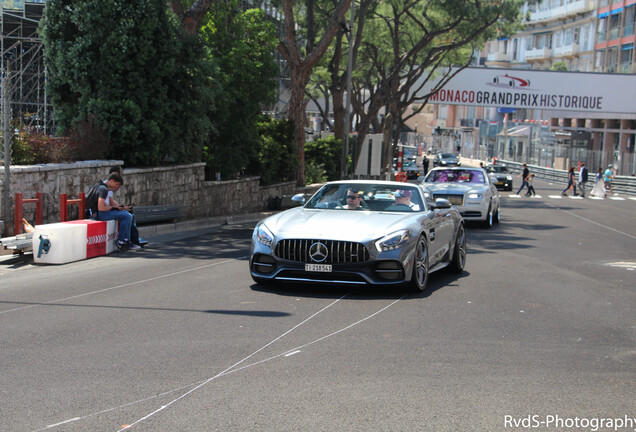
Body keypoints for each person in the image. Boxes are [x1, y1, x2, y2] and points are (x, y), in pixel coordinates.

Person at [85, 173, 136, 250]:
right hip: (98, 214)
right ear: (111, 181)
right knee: (127, 215)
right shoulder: (104, 190)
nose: (117, 187)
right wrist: (113, 207)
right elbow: (101, 208)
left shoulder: (98, 186)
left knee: (127, 214)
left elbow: (101, 204)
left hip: (97, 213)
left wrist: (115, 207)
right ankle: (121, 241)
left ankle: (126, 240)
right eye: (117, 184)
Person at [105, 166, 147, 247]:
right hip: (106, 211)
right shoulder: (105, 187)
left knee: (130, 213)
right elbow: (109, 203)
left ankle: (134, 238)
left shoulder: (108, 187)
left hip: (109, 209)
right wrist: (121, 208)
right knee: (127, 215)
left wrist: (122, 206)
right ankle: (125, 240)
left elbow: (111, 201)